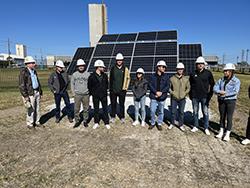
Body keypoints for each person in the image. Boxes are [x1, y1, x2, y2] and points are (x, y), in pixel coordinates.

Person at [213, 63, 241, 142]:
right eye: (224, 71)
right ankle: (221, 131)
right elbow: (215, 87)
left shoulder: (236, 81)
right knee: (222, 116)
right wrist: (219, 91)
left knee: (229, 117)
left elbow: (235, 91)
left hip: (230, 101)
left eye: (227, 71)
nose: (225, 72)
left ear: (231, 72)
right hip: (221, 100)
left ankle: (227, 133)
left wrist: (224, 94)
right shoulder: (221, 80)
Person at [189, 56, 215, 135]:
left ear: (204, 65)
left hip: (205, 97)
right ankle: (196, 126)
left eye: (201, 64)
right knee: (195, 112)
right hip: (195, 97)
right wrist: (191, 95)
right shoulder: (193, 73)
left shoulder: (208, 73)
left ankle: (206, 127)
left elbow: (212, 84)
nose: (200, 65)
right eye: (198, 64)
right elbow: (190, 85)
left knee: (205, 112)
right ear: (196, 65)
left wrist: (209, 95)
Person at [19, 56, 43, 129]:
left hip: (36, 92)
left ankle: (37, 122)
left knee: (37, 108)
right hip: (30, 93)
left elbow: (37, 81)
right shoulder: (23, 72)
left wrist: (40, 91)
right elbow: (22, 85)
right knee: (30, 109)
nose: (34, 64)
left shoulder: (34, 71)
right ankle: (30, 123)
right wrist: (25, 96)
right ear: (27, 64)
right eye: (32, 63)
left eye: (34, 63)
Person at [88, 60, 110, 129]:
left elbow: (107, 85)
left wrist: (104, 91)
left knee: (105, 109)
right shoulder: (91, 76)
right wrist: (93, 93)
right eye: (102, 67)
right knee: (96, 109)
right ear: (98, 67)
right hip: (96, 96)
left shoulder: (105, 76)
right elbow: (89, 86)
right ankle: (96, 122)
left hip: (103, 95)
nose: (103, 68)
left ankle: (106, 122)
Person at [148, 60, 170, 131]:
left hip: (162, 97)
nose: (164, 68)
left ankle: (159, 123)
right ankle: (153, 122)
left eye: (164, 67)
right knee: (152, 110)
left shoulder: (166, 77)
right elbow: (150, 85)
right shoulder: (152, 76)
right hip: (153, 96)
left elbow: (167, 86)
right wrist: (156, 92)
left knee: (161, 111)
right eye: (163, 67)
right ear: (158, 67)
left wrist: (161, 92)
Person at [109, 53, 130, 124]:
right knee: (113, 104)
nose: (119, 61)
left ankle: (122, 117)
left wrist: (126, 88)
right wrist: (110, 88)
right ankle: (113, 117)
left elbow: (128, 79)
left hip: (122, 90)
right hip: (113, 90)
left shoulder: (125, 69)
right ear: (116, 60)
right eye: (118, 60)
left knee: (121, 104)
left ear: (122, 60)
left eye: (120, 60)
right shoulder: (112, 69)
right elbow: (109, 78)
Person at [169, 62, 190, 131]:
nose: (180, 70)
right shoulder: (172, 78)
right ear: (176, 70)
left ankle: (181, 124)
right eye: (179, 69)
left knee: (181, 112)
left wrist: (184, 93)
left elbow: (188, 88)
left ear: (183, 70)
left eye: (181, 69)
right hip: (174, 98)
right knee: (173, 112)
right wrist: (172, 93)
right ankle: (172, 123)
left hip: (182, 98)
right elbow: (169, 88)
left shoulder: (186, 79)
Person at [71, 59, 90, 128]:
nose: (81, 67)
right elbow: (72, 84)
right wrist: (73, 93)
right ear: (77, 66)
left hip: (86, 94)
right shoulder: (74, 74)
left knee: (86, 108)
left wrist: (89, 92)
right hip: (77, 95)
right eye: (79, 66)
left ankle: (85, 121)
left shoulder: (88, 74)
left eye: (82, 66)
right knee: (76, 109)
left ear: (84, 66)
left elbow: (90, 84)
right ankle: (77, 121)